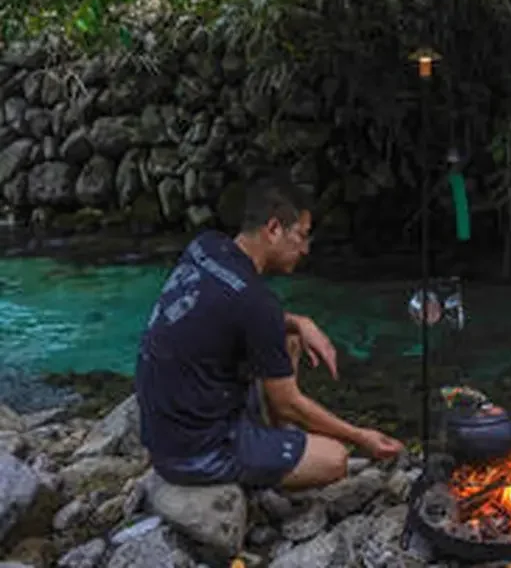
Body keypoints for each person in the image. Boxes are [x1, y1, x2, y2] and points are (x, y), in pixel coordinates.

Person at [135, 175, 404, 491]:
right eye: (301, 236)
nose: (304, 249)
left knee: (288, 338)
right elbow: (289, 402)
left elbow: (225, 309)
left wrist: (301, 322)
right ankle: (271, 461)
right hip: (197, 451)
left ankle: (275, 441)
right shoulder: (256, 302)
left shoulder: (205, 246)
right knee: (334, 459)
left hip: (164, 430)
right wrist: (360, 436)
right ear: (274, 229)